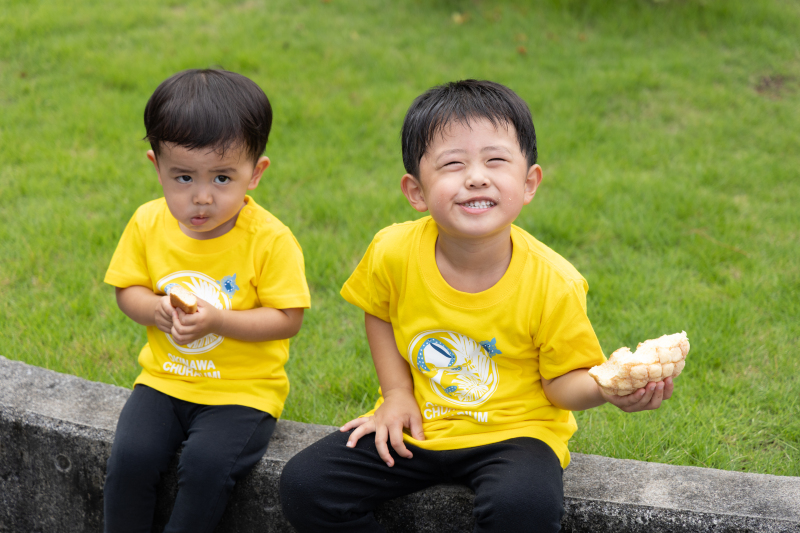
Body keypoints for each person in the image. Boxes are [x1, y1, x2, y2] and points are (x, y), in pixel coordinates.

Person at [279, 80, 674, 533]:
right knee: (306, 484)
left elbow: (561, 385)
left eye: (496, 160)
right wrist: (397, 395)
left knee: (522, 507)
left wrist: (608, 389)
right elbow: (379, 311)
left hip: (515, 436)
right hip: (419, 425)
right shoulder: (393, 250)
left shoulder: (554, 282)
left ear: (529, 183)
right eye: (452, 164)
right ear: (416, 191)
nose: (476, 176)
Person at [103, 68, 310, 532]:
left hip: (242, 392)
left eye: (221, 178)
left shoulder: (271, 241)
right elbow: (128, 290)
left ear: (255, 174)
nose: (200, 198)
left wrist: (219, 321)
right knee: (130, 459)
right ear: (156, 166)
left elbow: (287, 317)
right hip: (163, 380)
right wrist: (153, 309)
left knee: (206, 466)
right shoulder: (147, 223)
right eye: (182, 178)